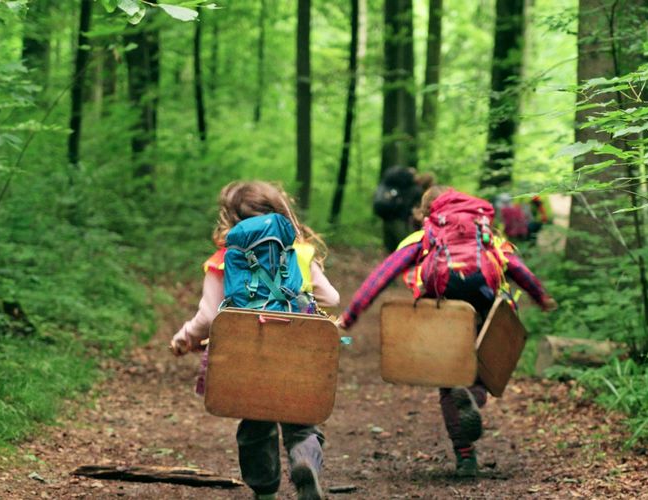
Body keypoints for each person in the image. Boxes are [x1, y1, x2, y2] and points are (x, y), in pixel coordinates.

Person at [337, 186, 557, 477]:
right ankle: (474, 399)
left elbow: (384, 273)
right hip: (484, 308)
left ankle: (465, 457)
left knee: (449, 381)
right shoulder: (486, 234)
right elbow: (517, 268)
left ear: (426, 212)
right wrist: (541, 298)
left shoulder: (426, 235)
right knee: (480, 372)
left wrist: (351, 316)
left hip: (444, 308)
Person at [170, 181, 340, 500]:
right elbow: (331, 297)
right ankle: (304, 461)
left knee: (255, 425)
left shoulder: (224, 257)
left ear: (230, 219)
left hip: (249, 354)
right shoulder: (299, 252)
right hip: (296, 353)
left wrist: (184, 339)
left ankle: (264, 493)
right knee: (301, 421)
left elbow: (208, 318)